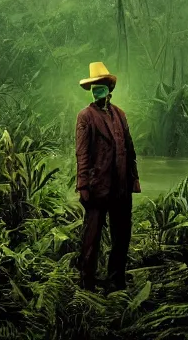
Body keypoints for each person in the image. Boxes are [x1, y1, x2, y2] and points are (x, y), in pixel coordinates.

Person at [74, 61, 141, 291]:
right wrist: (82, 184)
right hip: (97, 187)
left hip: (121, 187)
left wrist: (134, 178)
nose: (97, 90)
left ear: (109, 89)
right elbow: (81, 153)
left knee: (121, 237)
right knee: (91, 237)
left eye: (100, 86)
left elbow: (129, 150)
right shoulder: (86, 116)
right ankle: (87, 284)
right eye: (94, 87)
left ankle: (116, 281)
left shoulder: (120, 115)